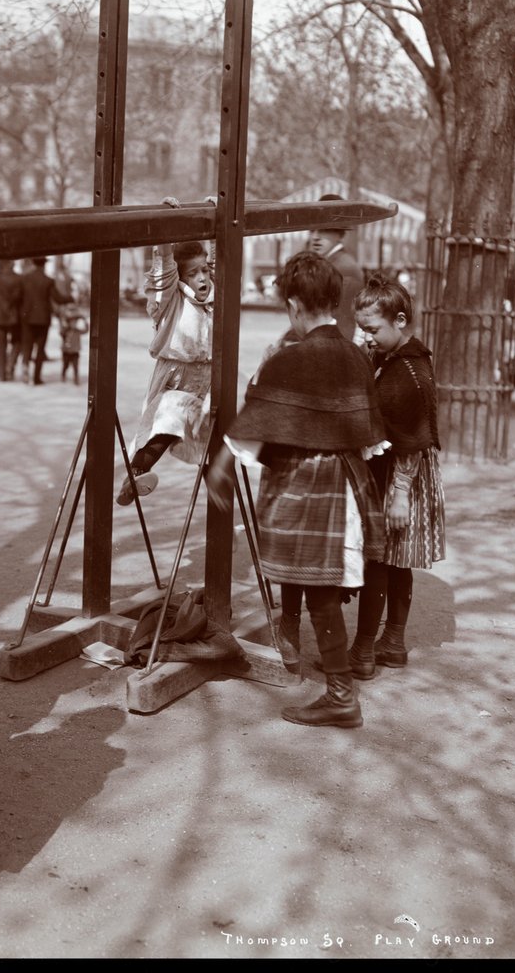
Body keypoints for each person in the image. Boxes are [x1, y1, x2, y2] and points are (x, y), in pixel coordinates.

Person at [206, 251, 386, 729]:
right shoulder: (355, 355)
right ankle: (338, 689)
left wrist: (221, 465)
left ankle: (341, 696)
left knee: (317, 587)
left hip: (305, 485)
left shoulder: (291, 359)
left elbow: (255, 425)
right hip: (346, 483)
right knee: (319, 583)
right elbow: (367, 435)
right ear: (333, 299)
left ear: (293, 305)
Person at [348, 273, 446, 673]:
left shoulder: (411, 372)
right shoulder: (390, 358)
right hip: (390, 470)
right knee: (396, 562)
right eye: (362, 329)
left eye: (372, 329)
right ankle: (392, 643)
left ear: (401, 321)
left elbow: (414, 438)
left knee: (380, 562)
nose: (367, 337)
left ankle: (363, 651)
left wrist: (401, 494)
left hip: (401, 476)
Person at [118, 217, 214, 506]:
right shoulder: (170, 301)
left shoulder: (213, 296)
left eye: (205, 270)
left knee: (211, 435)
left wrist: (216, 215)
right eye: (194, 273)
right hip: (176, 375)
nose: (202, 278)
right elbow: (163, 271)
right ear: (181, 278)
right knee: (167, 424)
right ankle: (136, 472)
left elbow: (223, 258)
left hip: (208, 375)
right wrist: (166, 229)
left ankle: (220, 498)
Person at [307, 193, 364, 343]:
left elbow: (341, 318)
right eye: (312, 230)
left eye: (324, 230)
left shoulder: (344, 268)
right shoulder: (328, 263)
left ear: (340, 234)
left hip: (336, 343)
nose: (315, 237)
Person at [18, 257, 71, 385]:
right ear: (44, 265)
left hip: (27, 318)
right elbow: (58, 299)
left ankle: (25, 367)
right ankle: (36, 378)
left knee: (27, 346)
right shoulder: (48, 281)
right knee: (40, 349)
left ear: (33, 264)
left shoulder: (24, 279)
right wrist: (70, 298)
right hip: (43, 319)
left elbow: (18, 297)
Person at [57, 301, 89, 386]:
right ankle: (63, 375)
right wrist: (65, 325)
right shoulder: (65, 330)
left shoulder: (77, 331)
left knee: (76, 366)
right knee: (65, 365)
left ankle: (76, 379)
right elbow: (61, 332)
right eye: (72, 321)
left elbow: (85, 331)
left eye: (75, 322)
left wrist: (85, 322)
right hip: (66, 351)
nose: (74, 323)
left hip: (75, 351)